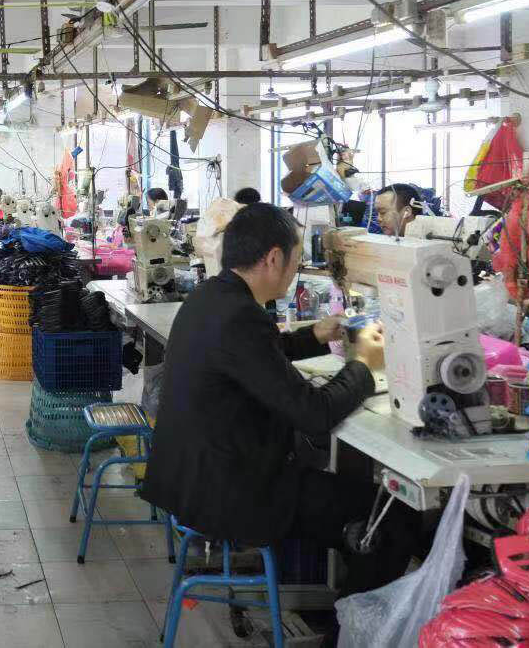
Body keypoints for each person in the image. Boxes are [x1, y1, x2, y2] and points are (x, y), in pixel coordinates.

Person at [139, 203, 417, 603]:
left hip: (194, 478)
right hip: (232, 494)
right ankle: (345, 633)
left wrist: (314, 335)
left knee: (356, 499)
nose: (297, 268)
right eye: (297, 259)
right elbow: (314, 413)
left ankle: (345, 571)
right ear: (273, 258)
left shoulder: (211, 297)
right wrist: (364, 367)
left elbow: (258, 353)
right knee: (393, 521)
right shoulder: (240, 316)